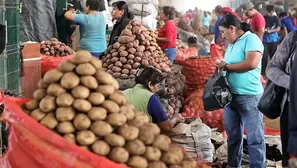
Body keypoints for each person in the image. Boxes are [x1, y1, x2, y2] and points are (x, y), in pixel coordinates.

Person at [216, 14, 266, 168]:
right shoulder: (231, 45)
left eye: (223, 32)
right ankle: (233, 165)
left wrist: (226, 66)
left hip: (250, 96)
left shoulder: (252, 39)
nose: (222, 36)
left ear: (232, 28)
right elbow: (228, 66)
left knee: (255, 138)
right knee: (233, 137)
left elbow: (251, 63)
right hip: (231, 97)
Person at [266, 30, 297, 167]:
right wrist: (292, 83)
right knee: (290, 159)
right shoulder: (293, 38)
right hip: (292, 109)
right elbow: (272, 68)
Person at [124, 67, 183, 135]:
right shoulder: (151, 97)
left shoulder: (125, 92)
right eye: (158, 85)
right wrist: (175, 118)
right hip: (142, 135)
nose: (158, 88)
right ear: (150, 84)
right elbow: (166, 126)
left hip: (125, 132)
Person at [262, 5, 281, 74]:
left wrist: (271, 31)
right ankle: (263, 71)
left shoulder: (276, 18)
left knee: (273, 56)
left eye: (272, 12)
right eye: (269, 12)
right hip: (265, 40)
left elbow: (278, 28)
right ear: (267, 11)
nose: (270, 13)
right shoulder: (264, 18)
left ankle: (273, 71)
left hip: (273, 40)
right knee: (264, 56)